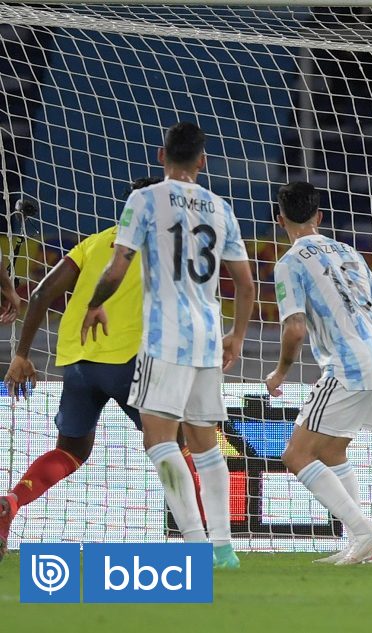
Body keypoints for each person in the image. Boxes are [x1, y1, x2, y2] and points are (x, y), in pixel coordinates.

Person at [0, 178, 204, 562]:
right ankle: (203, 537)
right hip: (130, 362)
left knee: (70, 452)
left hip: (78, 364)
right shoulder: (167, 247)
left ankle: (11, 501)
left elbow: (42, 293)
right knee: (176, 447)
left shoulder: (94, 242)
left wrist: (22, 354)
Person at [81, 122, 256, 569]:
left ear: (161, 156)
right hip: (208, 338)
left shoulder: (144, 199)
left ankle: (197, 547)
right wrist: (235, 335)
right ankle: (223, 548)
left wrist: (94, 304)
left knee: (159, 442)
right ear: (202, 161)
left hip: (165, 338)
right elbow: (245, 282)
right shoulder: (221, 207)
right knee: (206, 444)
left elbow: (118, 266)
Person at [265, 181, 372, 566]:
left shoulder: (289, 263)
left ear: (280, 219)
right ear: (319, 216)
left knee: (296, 454)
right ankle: (365, 546)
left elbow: (295, 328)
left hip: (347, 365)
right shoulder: (349, 252)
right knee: (333, 451)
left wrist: (280, 372)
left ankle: (365, 531)